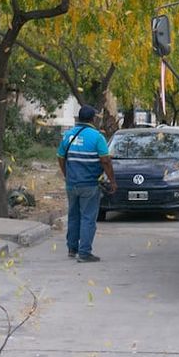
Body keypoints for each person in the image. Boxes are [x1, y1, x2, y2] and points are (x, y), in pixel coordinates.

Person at [57, 105, 116, 262]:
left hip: (71, 184)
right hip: (89, 185)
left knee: (73, 215)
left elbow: (60, 157)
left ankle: (72, 248)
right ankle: (84, 253)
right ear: (93, 119)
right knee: (88, 218)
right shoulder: (97, 137)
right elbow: (105, 161)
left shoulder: (67, 135)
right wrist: (112, 181)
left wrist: (67, 174)